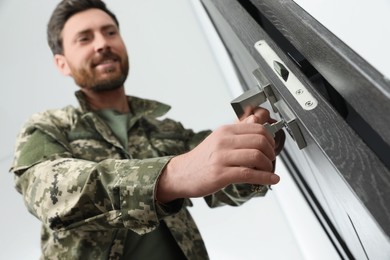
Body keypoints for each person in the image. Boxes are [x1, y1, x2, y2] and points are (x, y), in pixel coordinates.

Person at [10, 0, 285, 259]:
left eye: (110, 33)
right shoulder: (47, 127)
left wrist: (254, 143)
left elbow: (226, 185)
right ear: (62, 63)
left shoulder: (164, 129)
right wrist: (172, 174)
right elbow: (49, 195)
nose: (102, 43)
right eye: (85, 38)